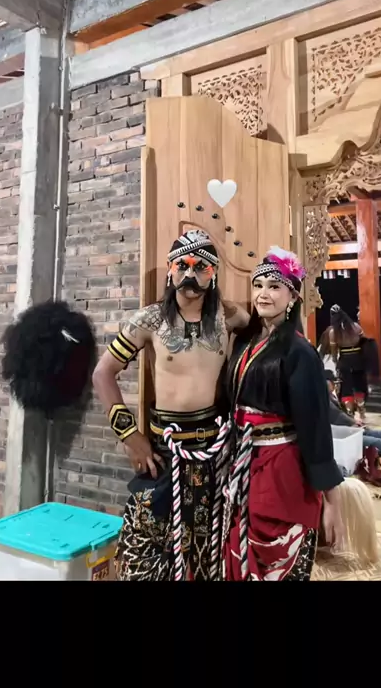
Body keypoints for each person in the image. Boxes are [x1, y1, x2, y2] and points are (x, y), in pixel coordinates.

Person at [92, 228, 250, 581]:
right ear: (170, 270)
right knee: (141, 553)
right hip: (163, 453)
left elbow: (258, 339)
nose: (190, 274)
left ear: (214, 273)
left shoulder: (230, 317)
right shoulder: (148, 320)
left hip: (214, 452)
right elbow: (103, 374)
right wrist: (130, 436)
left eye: (201, 267)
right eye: (182, 265)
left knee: (210, 552)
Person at [221, 246, 344, 581]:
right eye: (258, 285)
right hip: (242, 462)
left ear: (293, 297)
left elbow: (315, 428)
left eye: (274, 287)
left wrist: (332, 502)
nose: (263, 294)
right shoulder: (246, 342)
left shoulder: (300, 352)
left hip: (280, 466)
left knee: (272, 555)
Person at [329, 304, 368, 423]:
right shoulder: (356, 327)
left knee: (346, 387)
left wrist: (335, 361)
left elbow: (334, 351)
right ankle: (362, 411)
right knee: (359, 385)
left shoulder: (333, 332)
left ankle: (350, 413)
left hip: (345, 360)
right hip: (358, 359)